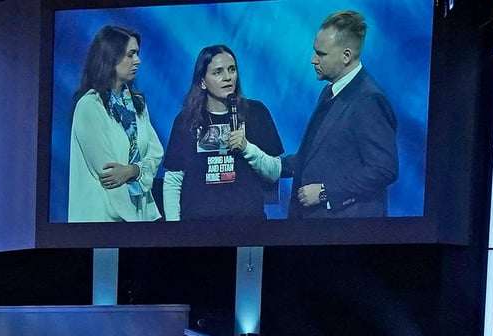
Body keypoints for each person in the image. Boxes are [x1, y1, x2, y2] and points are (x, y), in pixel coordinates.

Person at [286, 10, 398, 218]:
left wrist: (324, 192)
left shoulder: (369, 99)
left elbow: (384, 169)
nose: (312, 60)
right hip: (313, 232)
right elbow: (320, 153)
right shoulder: (330, 90)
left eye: (321, 54)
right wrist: (275, 164)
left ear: (346, 56)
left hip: (346, 235)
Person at [162, 45, 283, 221]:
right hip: (197, 228)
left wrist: (247, 148)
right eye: (218, 72)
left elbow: (274, 173)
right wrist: (174, 228)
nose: (227, 77)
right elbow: (173, 179)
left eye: (232, 70)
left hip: (248, 225)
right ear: (202, 82)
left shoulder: (256, 112)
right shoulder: (186, 120)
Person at [68, 25, 164, 222]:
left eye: (137, 54)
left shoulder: (137, 104)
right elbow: (109, 174)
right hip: (102, 221)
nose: (138, 61)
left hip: (139, 221)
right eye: (131, 54)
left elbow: (156, 154)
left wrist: (133, 170)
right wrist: (138, 171)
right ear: (111, 57)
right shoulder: (90, 106)